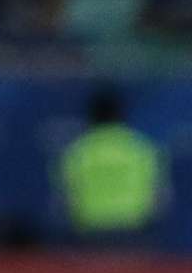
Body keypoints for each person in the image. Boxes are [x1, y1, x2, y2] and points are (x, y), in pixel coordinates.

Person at [57, 85, 166, 250]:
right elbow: (159, 198)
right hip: (134, 235)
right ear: (121, 115)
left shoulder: (76, 152)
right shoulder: (142, 148)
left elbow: (66, 200)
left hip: (90, 238)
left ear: (91, 115)